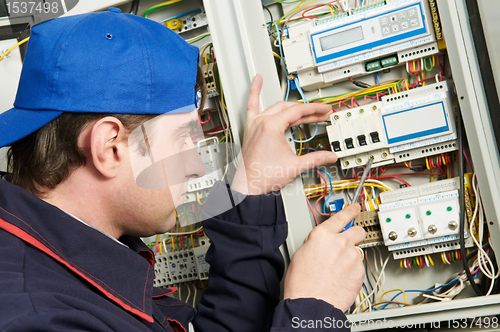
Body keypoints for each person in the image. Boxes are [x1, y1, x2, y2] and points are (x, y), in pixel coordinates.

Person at [0, 8, 366, 332]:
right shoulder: (37, 315)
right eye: (183, 138)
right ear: (109, 147)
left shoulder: (59, 255)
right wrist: (314, 311)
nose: (195, 166)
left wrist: (251, 187)